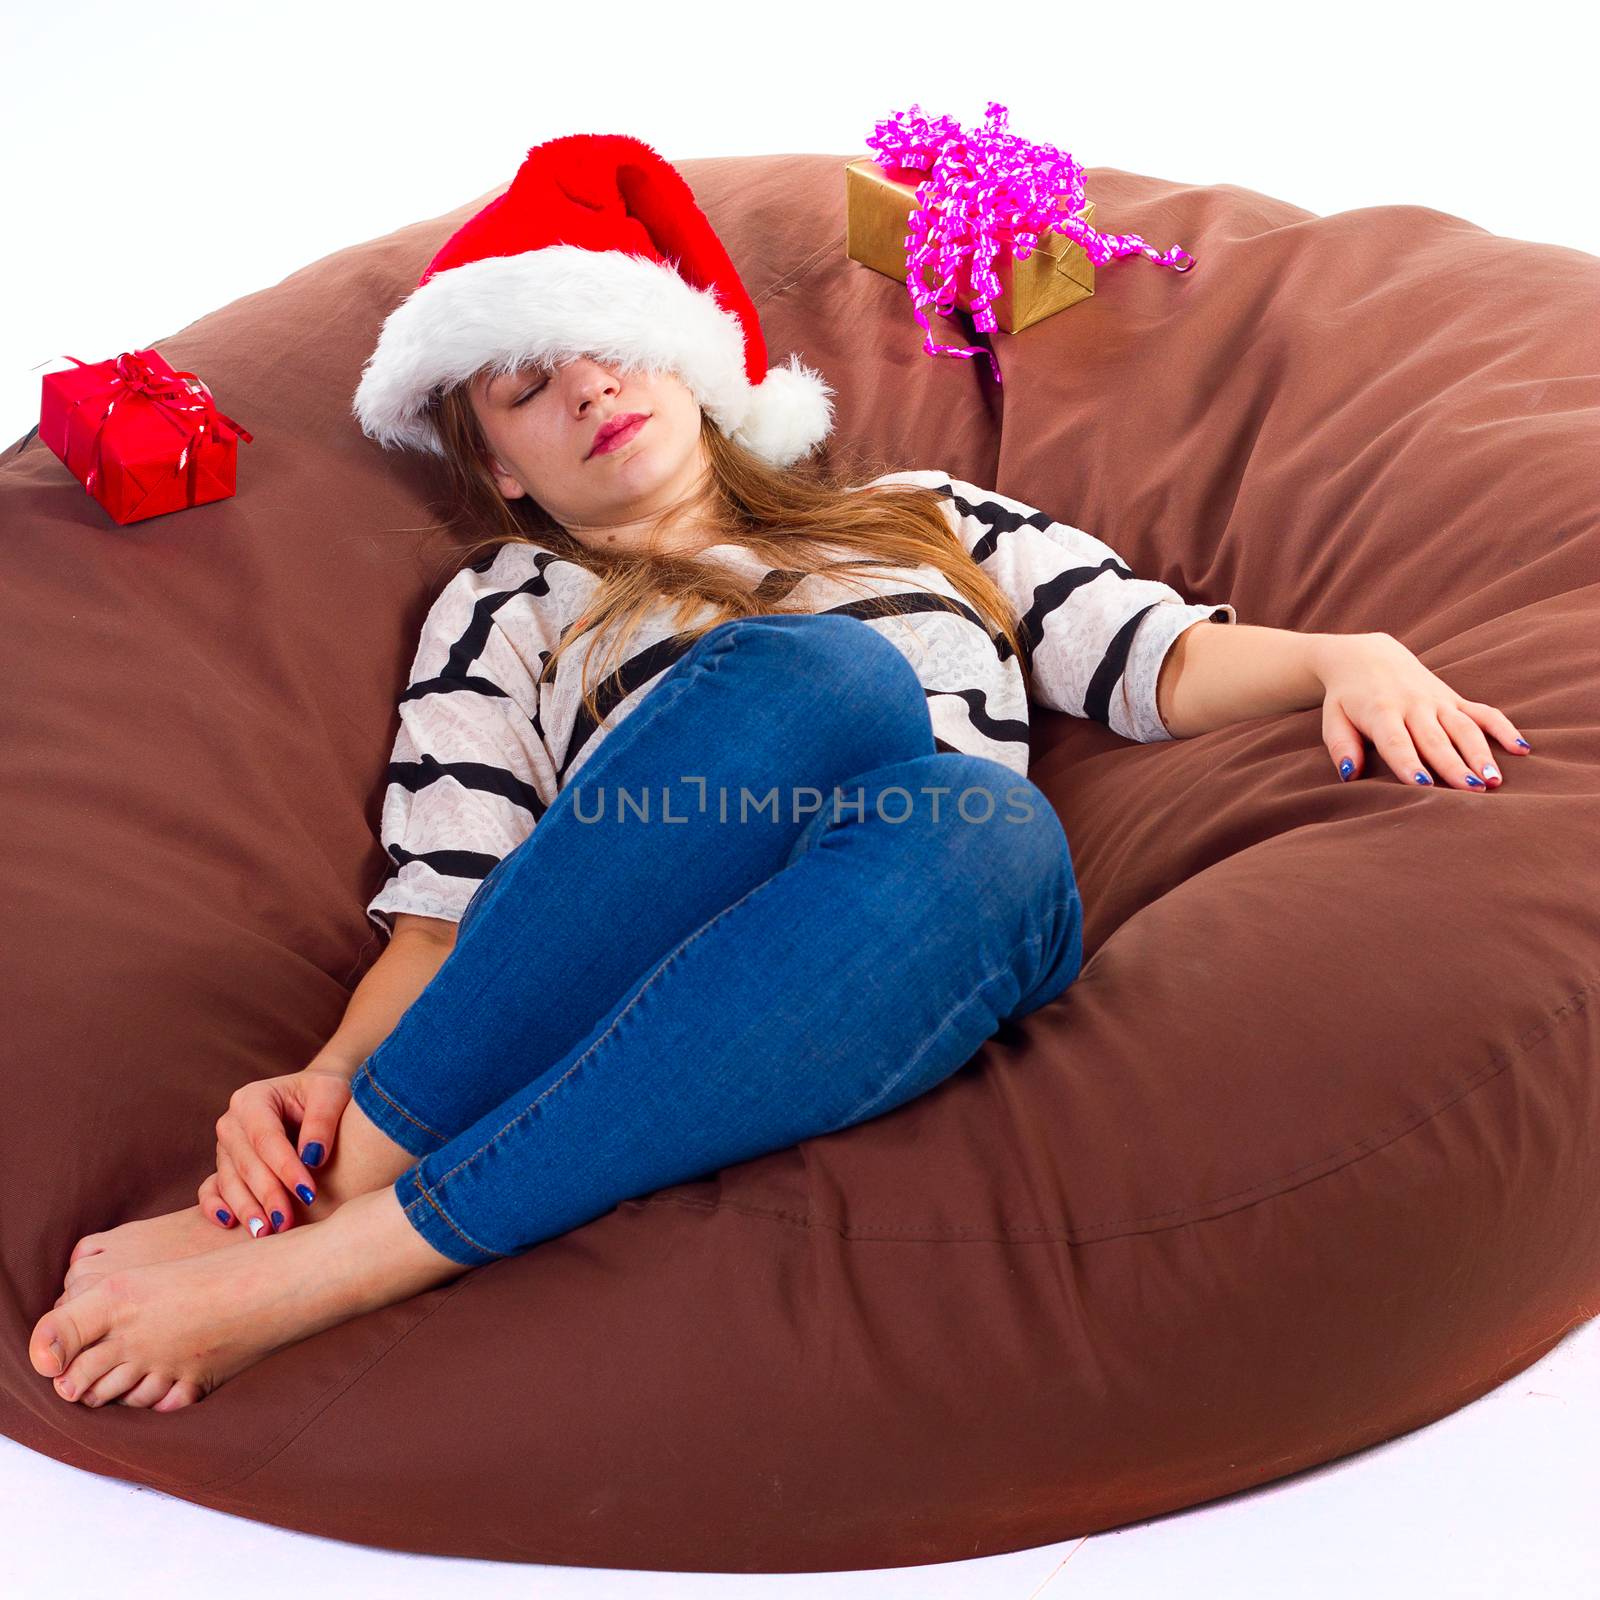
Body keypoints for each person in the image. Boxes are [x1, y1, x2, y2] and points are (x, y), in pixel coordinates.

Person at [31, 135, 1532, 1413]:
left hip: (909, 928)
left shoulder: (916, 513)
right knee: (807, 677)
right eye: (528, 386)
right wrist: (330, 1082)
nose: (589, 390)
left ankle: (348, 1249)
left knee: (968, 809)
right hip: (631, 957)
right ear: (501, 468)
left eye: (612, 343)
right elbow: (447, 913)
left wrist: (1347, 652)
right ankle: (359, 1178)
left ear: (691, 358)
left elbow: (1154, 660)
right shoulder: (505, 609)